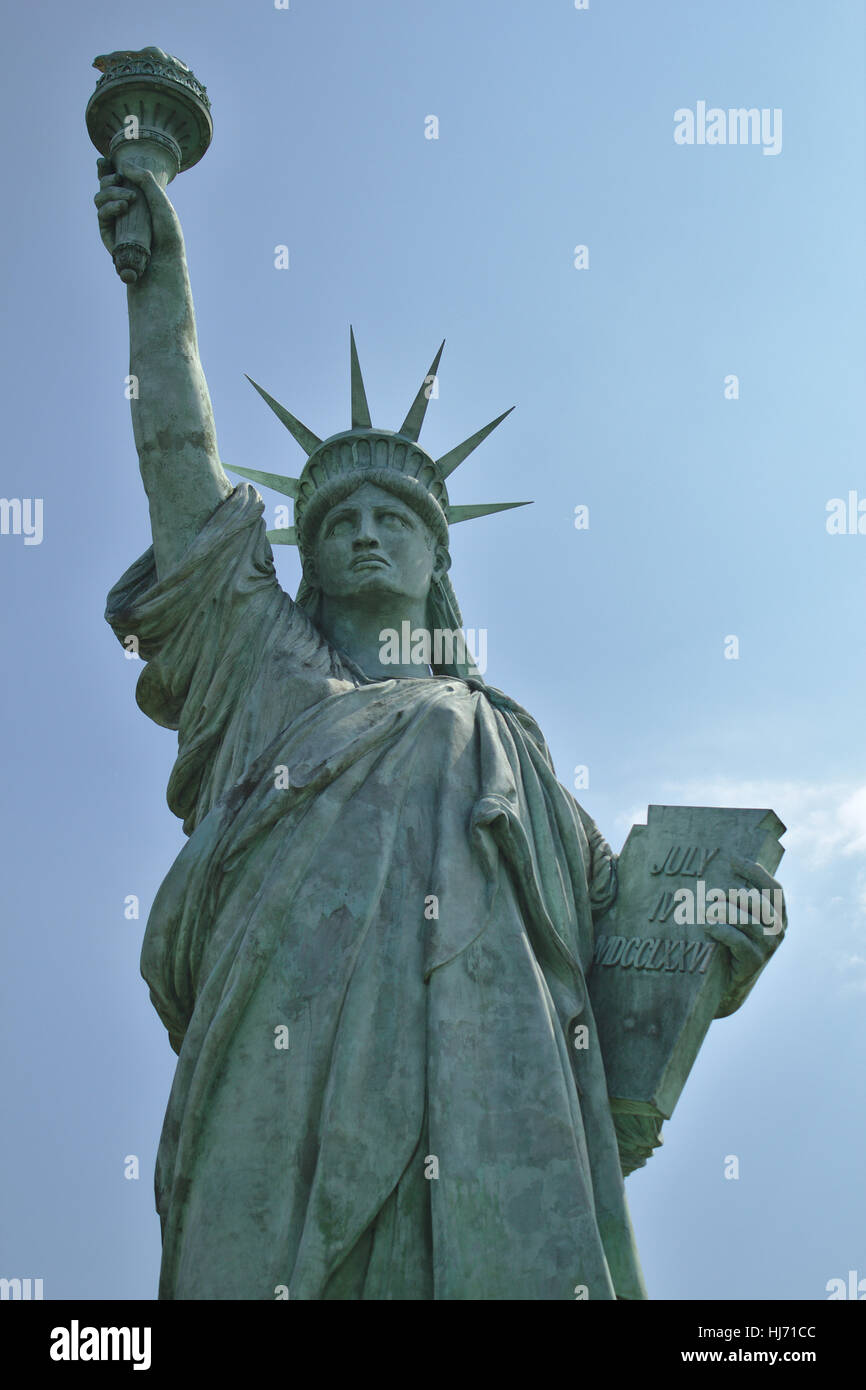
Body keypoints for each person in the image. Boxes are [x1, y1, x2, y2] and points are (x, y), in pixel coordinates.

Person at [95, 161, 779, 1301]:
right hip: (277, 1060)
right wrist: (156, 278)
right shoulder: (261, 665)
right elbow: (175, 462)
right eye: (338, 520)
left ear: (435, 556)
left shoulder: (505, 742)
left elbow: (626, 939)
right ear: (301, 559)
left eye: (394, 518)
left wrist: (727, 920)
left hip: (494, 1094)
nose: (365, 534)